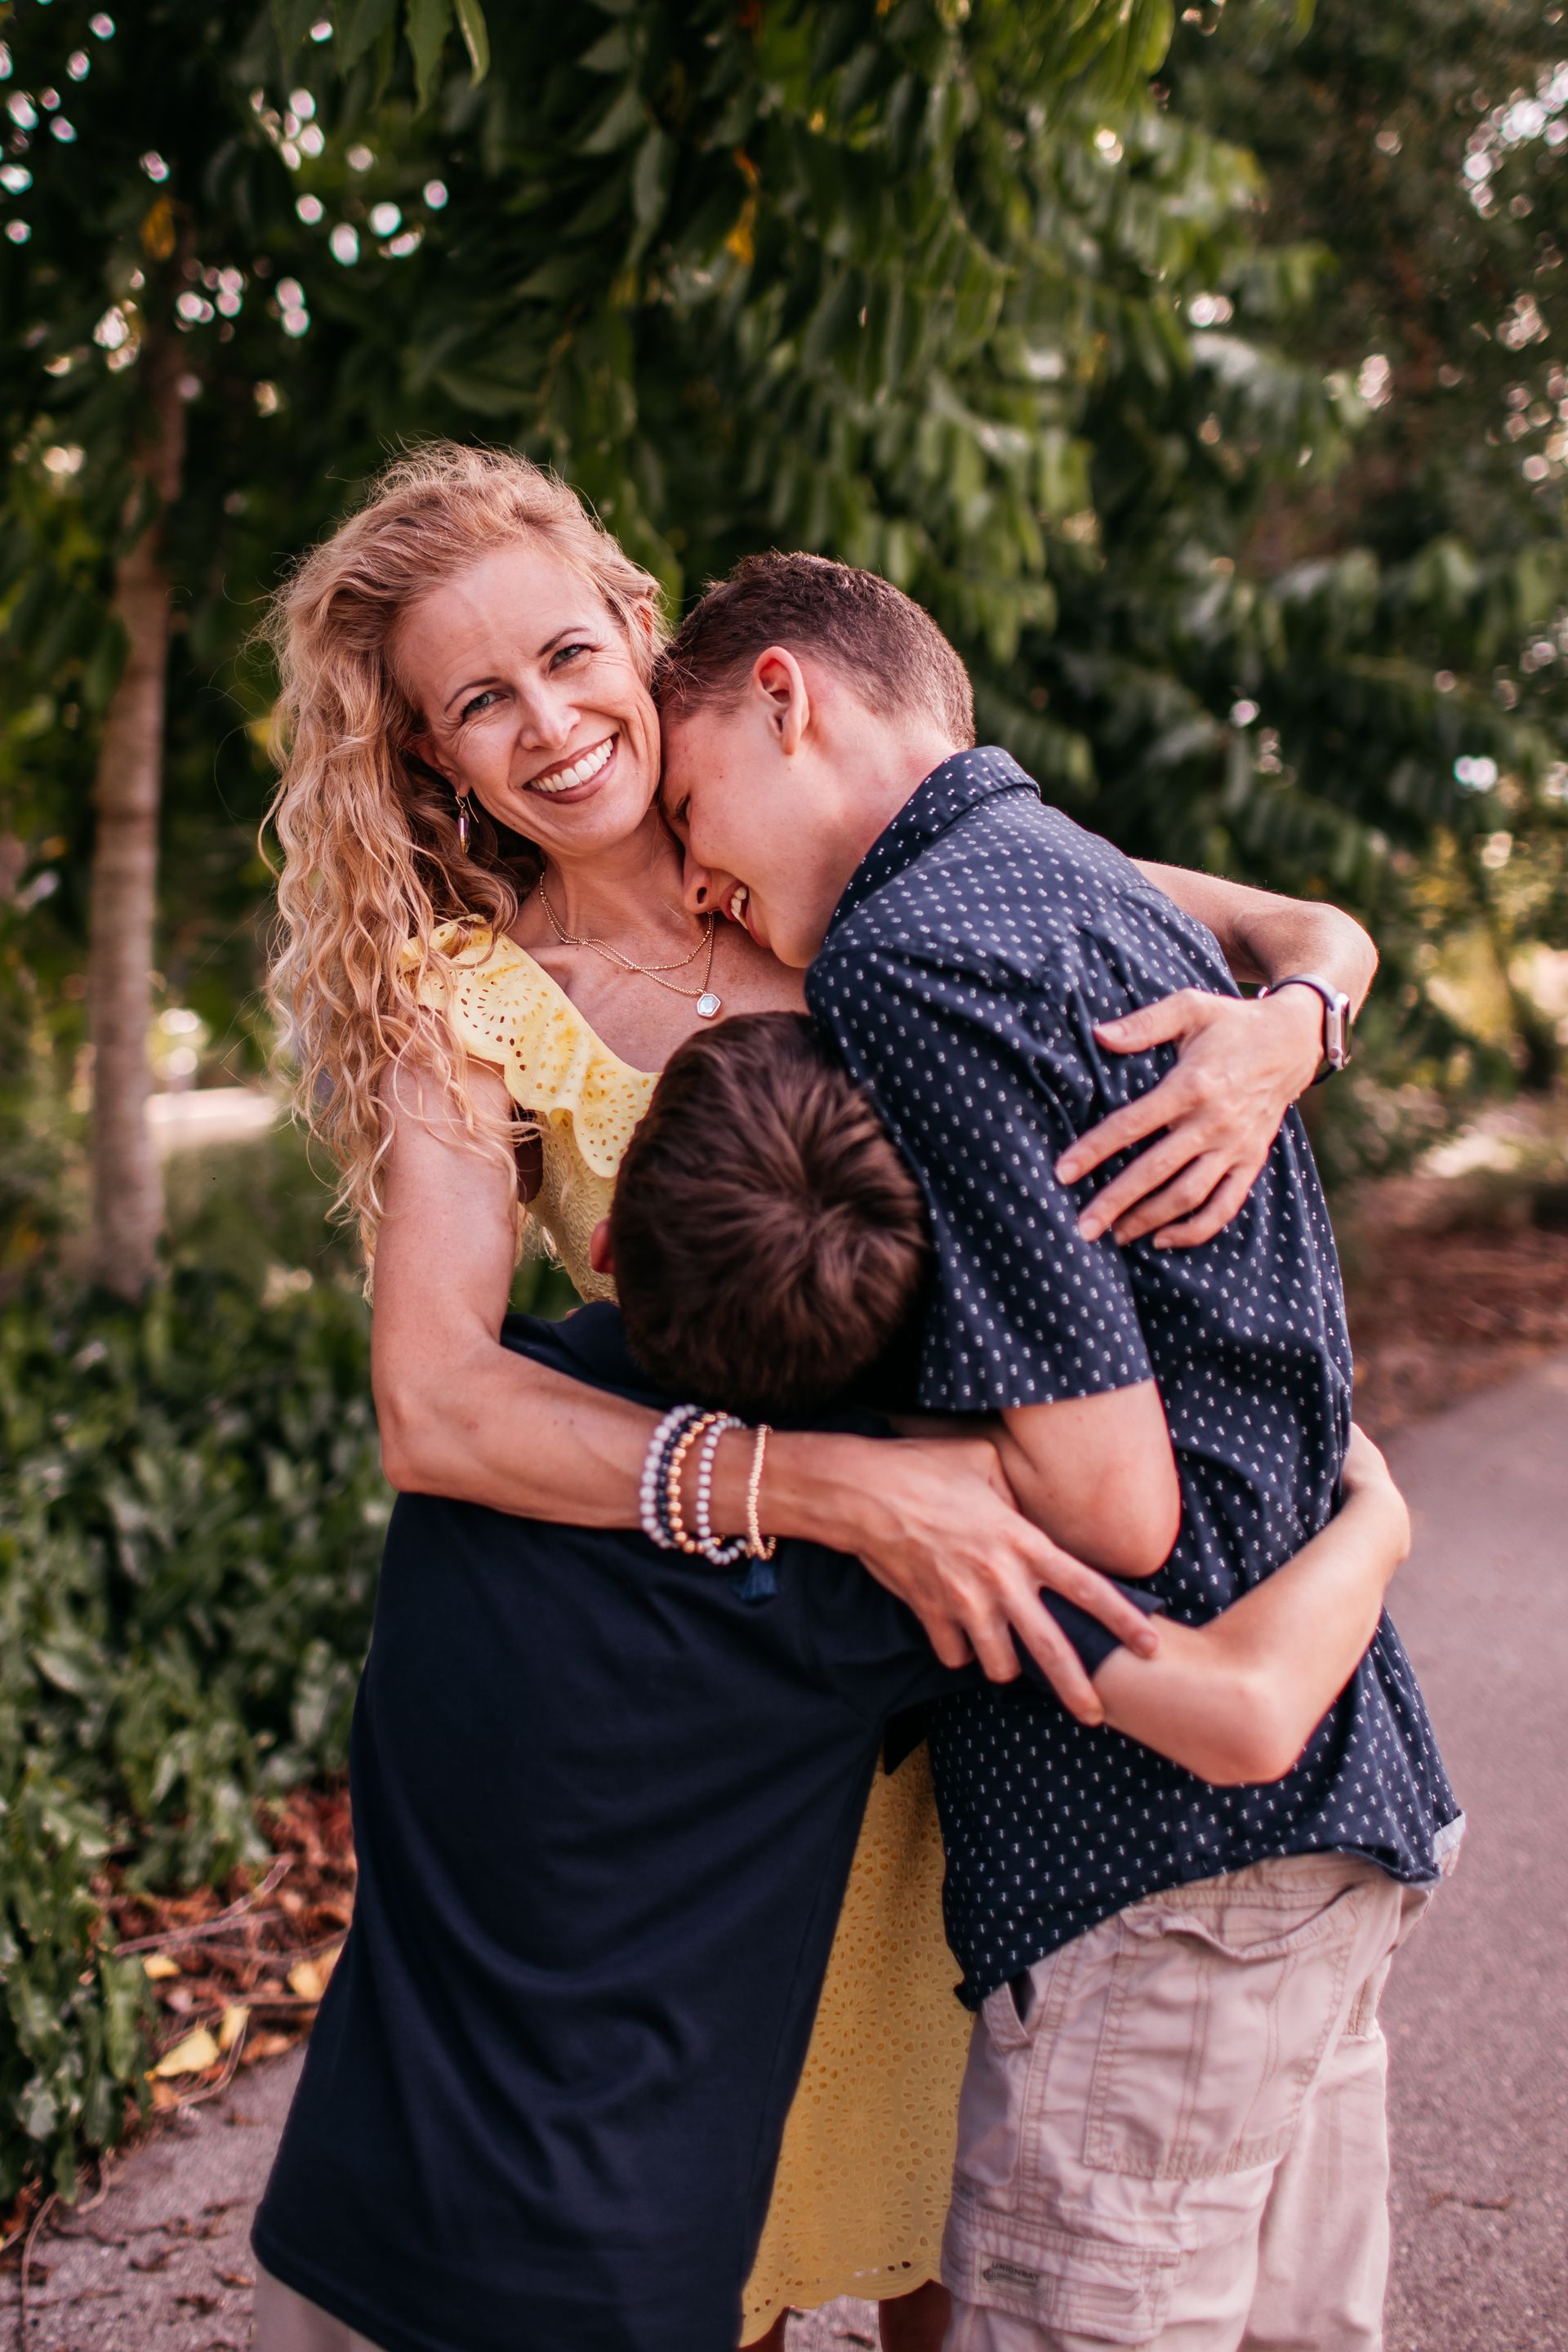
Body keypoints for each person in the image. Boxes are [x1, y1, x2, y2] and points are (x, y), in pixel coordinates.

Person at [264, 440, 1383, 2348]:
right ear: (433, 759)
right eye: (478, 705)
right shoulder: (472, 1004)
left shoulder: (858, 856)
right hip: (760, 1675)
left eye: (563, 656)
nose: (546, 726)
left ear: (640, 626)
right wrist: (837, 1495)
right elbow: (438, 1407)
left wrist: (1290, 1034)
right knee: (742, 2246)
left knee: (980, 2238)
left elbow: (1290, 925)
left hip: (986, 1678)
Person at [252, 1012, 1414, 2352]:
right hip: (606, 2283)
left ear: (610, 1244)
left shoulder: (486, 1432)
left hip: (341, 2225)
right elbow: (1247, 1711)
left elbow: (441, 1390)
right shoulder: (872, 1563)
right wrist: (1377, 1513)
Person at [657, 552, 1463, 2352]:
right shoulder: (1058, 865)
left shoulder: (898, 954)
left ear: (789, 696)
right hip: (1335, 1793)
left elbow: (1113, 1499)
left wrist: (864, 1483)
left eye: (691, 798)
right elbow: (1300, 929)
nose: (693, 864)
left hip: (1157, 1847)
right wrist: (1308, 1002)